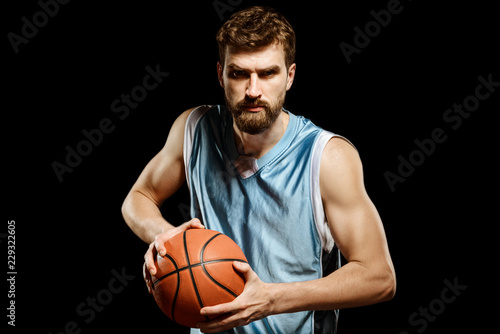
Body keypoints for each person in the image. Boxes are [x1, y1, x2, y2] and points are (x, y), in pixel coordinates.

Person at [122, 6, 396, 334]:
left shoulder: (326, 157)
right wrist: (163, 235)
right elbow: (138, 197)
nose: (253, 90)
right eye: (239, 73)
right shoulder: (193, 129)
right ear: (220, 74)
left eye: (267, 73)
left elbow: (379, 277)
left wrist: (270, 299)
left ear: (290, 76)